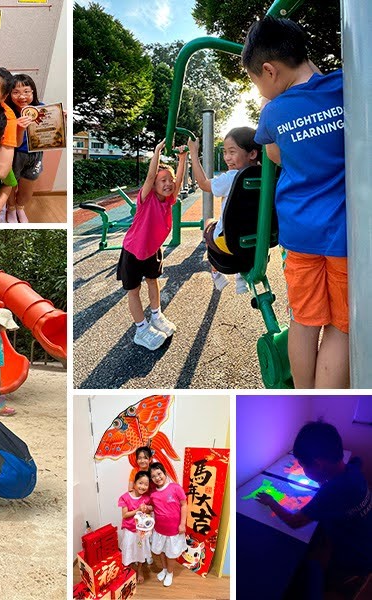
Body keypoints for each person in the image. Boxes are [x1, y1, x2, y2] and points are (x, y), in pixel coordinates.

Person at [243, 17, 348, 389]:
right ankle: (328, 403)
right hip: (344, 237)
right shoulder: (343, 87)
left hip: (299, 235)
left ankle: (302, 396)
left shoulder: (273, 112)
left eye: (257, 83)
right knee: (340, 325)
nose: (260, 92)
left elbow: (274, 155)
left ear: (269, 70)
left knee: (303, 320)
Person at [256, 422, 372, 597]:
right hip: (365, 541)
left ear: (317, 464)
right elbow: (336, 488)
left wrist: (270, 501)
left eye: (302, 465)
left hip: (353, 562)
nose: (302, 470)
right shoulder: (353, 469)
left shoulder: (331, 493)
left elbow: (295, 522)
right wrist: (321, 479)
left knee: (314, 570)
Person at [118, 140, 188, 350]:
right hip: (133, 250)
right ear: (154, 185)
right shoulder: (146, 198)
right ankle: (141, 329)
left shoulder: (169, 199)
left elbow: (181, 180)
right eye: (163, 180)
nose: (168, 184)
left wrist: (183, 159)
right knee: (133, 290)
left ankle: (156, 315)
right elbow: (150, 177)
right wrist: (156, 151)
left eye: (170, 180)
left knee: (153, 281)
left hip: (152, 249)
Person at [188, 128, 262, 294]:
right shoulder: (265, 174)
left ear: (252, 153)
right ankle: (240, 277)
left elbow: (203, 183)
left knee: (208, 224)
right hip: (259, 242)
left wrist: (194, 152)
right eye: (225, 152)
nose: (227, 157)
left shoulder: (231, 177)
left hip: (229, 243)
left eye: (232, 152)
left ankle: (216, 274)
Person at [6, 74, 45, 224]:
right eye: (16, 92)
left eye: (26, 91)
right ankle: (11, 208)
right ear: (9, 94)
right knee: (10, 183)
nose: (22, 96)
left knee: (28, 184)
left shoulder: (42, 109)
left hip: (35, 154)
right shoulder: (8, 113)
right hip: (14, 154)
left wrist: (61, 119)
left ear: (33, 92)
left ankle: (20, 208)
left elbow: (53, 130)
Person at [149, 462, 187, 587]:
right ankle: (164, 569)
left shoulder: (175, 487)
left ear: (164, 473)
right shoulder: (153, 492)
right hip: (159, 530)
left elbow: (184, 505)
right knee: (161, 551)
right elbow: (152, 507)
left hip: (174, 530)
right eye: (153, 476)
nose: (157, 478)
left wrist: (182, 523)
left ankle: (170, 573)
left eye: (159, 474)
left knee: (171, 553)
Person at [119, 470, 155, 584]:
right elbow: (125, 515)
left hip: (141, 532)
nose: (143, 486)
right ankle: (128, 569)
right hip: (129, 531)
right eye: (140, 483)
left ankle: (140, 570)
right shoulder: (125, 497)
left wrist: (147, 509)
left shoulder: (146, 498)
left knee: (140, 550)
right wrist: (138, 510)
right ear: (134, 483)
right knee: (128, 550)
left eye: (146, 484)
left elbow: (152, 509)